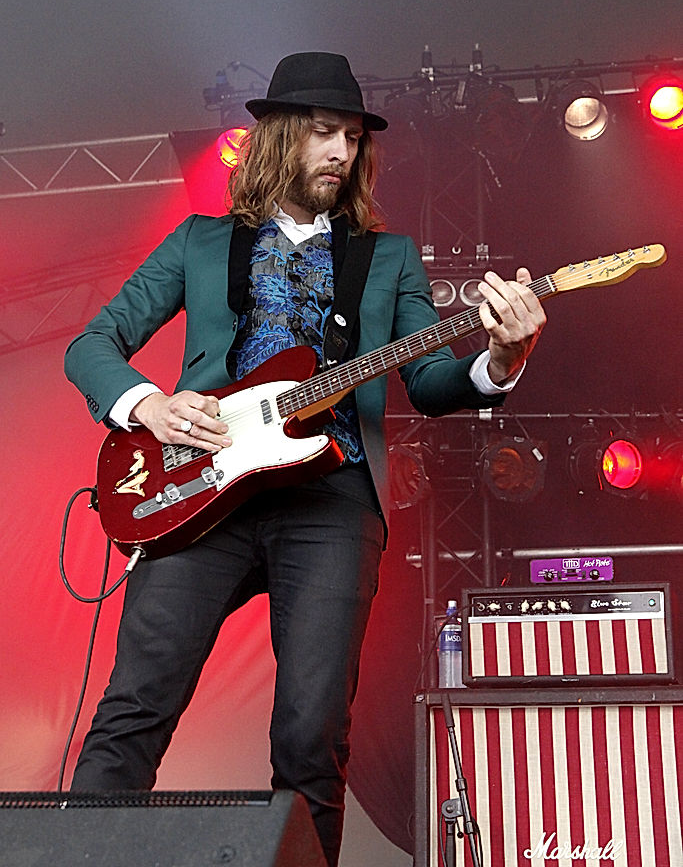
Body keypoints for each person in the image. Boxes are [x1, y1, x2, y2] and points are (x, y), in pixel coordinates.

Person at [64, 51, 546, 865]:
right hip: (196, 490)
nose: (341, 153)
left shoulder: (386, 258)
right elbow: (92, 344)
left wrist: (502, 359)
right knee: (133, 708)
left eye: (353, 138)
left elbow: (426, 383)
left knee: (311, 736)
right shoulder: (198, 242)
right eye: (324, 133)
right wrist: (149, 403)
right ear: (279, 137)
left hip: (331, 503)